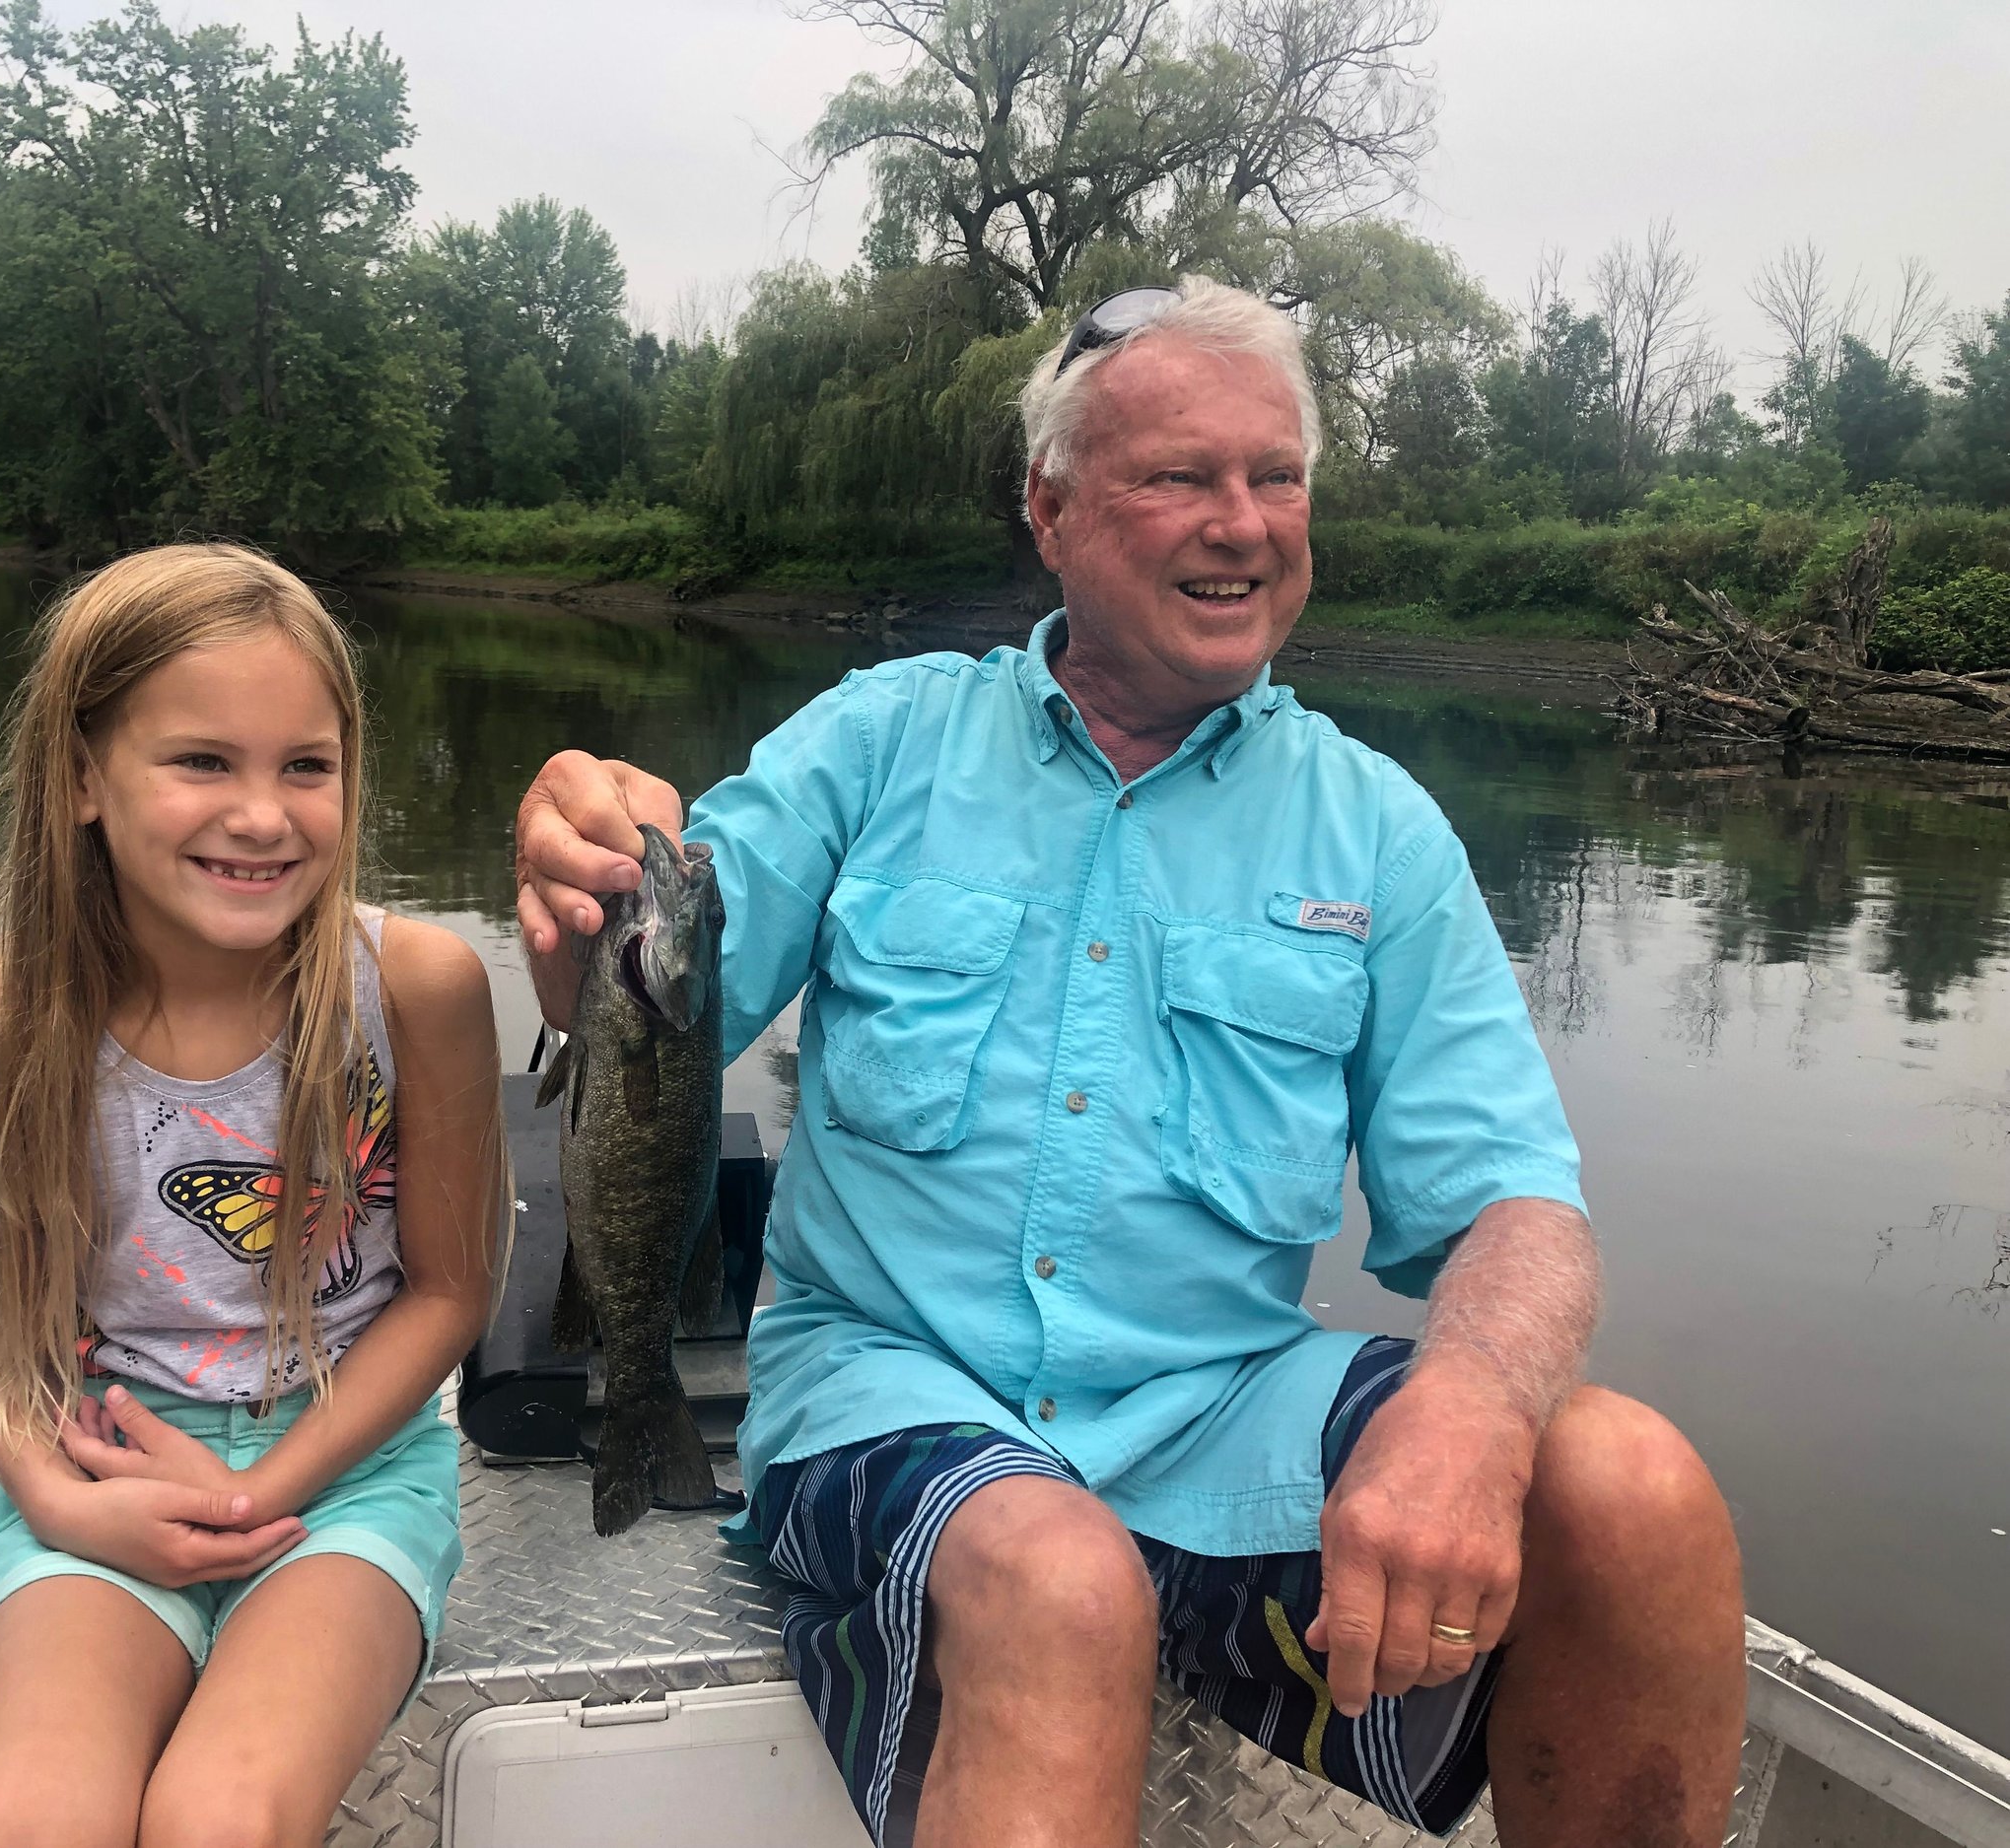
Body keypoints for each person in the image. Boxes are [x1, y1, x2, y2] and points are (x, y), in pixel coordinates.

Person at [516, 278, 1747, 1847]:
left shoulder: (1379, 829)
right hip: (895, 1384)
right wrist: (573, 866)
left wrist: (1476, 1407)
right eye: (1178, 476)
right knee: (1059, 1577)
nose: (1241, 523)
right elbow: (633, 992)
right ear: (1050, 508)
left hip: (1225, 1403)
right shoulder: (878, 741)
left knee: (1632, 1495)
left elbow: (1518, 1202)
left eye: (1275, 476)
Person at [0, 545, 504, 1848]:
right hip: (101, 1472)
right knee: (22, 1825)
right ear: (79, 779)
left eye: (306, 765)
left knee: (220, 1818)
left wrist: (260, 1490)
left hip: (344, 1473)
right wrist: (63, 1504)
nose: (263, 815)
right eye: (201, 762)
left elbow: (453, 1292)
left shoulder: (418, 989)